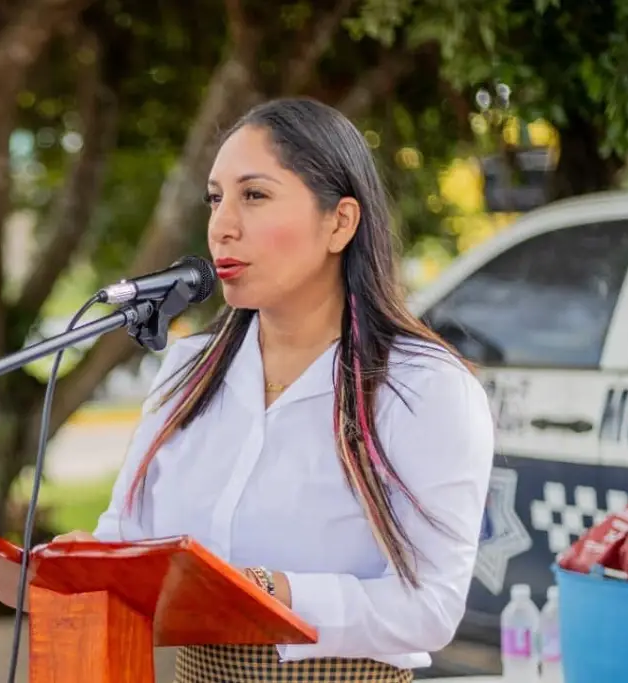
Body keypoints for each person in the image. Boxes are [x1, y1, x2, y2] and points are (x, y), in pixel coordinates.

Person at [54, 98, 495, 682]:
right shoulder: (189, 368)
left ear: (340, 222)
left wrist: (278, 592)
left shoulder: (423, 387)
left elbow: (431, 607)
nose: (222, 225)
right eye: (215, 198)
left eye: (254, 196)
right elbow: (126, 538)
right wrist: (83, 560)